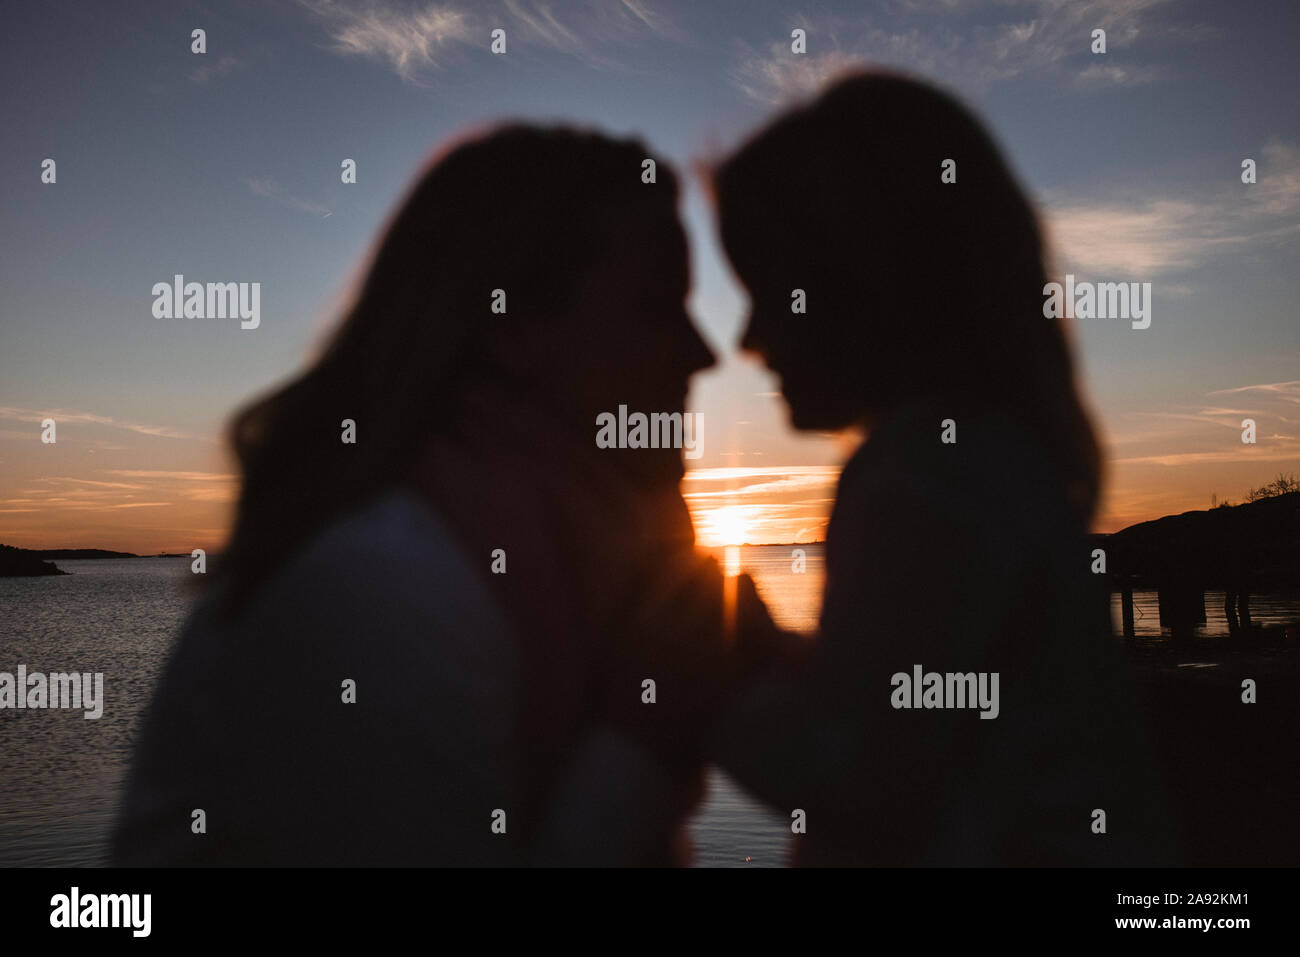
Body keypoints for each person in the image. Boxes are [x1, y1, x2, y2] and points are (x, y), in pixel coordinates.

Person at [111, 125, 750, 866]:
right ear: (509, 329)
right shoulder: (380, 584)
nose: (704, 353)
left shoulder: (595, 559)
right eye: (657, 305)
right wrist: (645, 731)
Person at [705, 71, 1181, 866]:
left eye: (772, 293)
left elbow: (864, 784)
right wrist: (776, 657)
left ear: (872, 286)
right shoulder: (985, 459)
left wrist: (697, 680)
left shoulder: (921, 479)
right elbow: (919, 700)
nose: (746, 340)